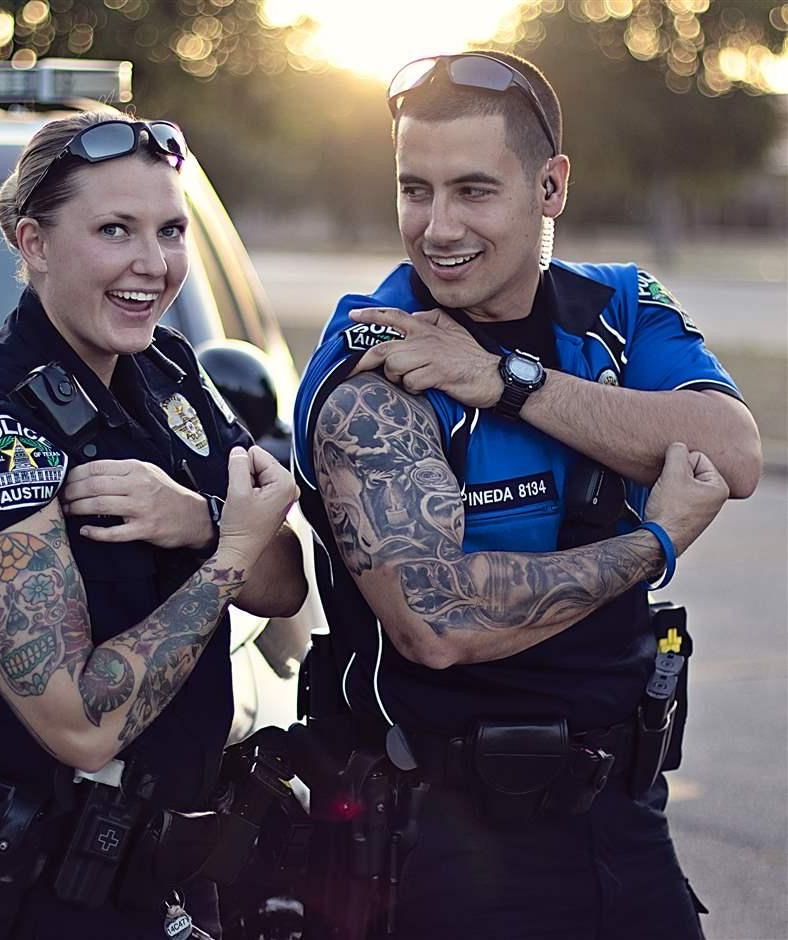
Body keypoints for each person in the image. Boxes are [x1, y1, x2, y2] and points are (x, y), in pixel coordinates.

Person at [292, 51, 761, 939]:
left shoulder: (617, 307)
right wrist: (655, 543)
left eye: (473, 190)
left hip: (621, 823)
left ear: (551, 187)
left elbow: (733, 451)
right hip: (432, 846)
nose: (436, 228)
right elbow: (436, 625)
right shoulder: (376, 359)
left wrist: (510, 381)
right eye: (413, 189)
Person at [0, 111, 306, 939]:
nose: (153, 266)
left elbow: (285, 579)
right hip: (33, 903)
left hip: (171, 887)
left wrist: (195, 519)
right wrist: (228, 551)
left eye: (171, 230)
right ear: (33, 241)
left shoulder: (169, 371)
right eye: (115, 230)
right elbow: (81, 722)